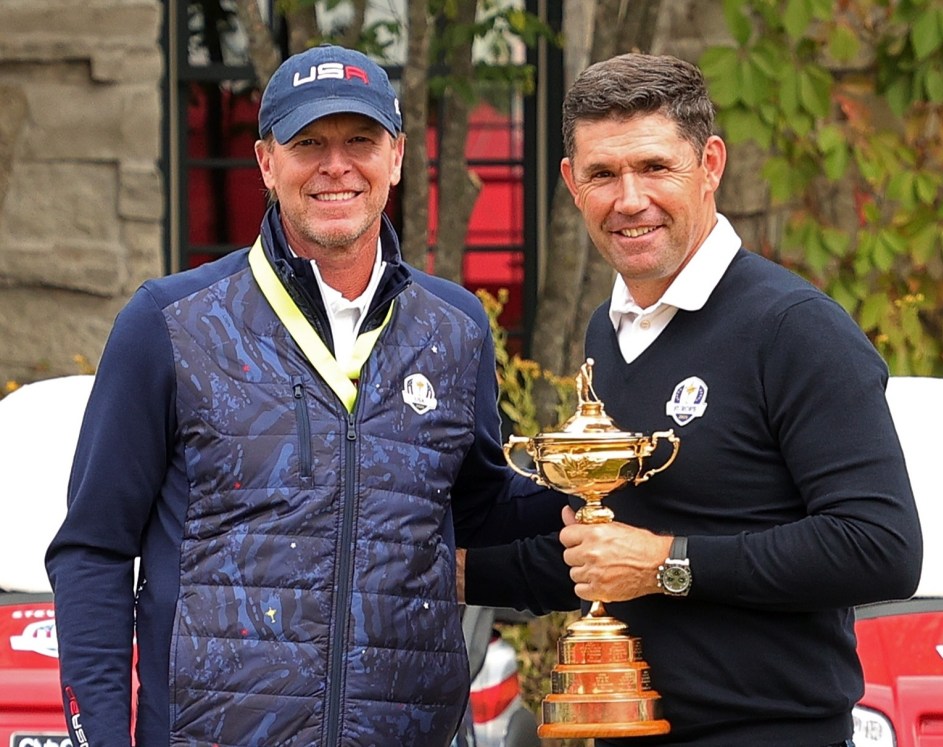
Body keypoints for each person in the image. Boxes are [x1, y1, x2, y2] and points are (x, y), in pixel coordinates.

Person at [45, 44, 564, 747]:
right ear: (266, 162)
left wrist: (608, 485)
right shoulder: (171, 322)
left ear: (398, 156)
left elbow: (473, 506)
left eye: (360, 141)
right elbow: (93, 550)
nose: (336, 166)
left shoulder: (455, 328)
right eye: (308, 142)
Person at [461, 53, 922, 746]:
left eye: (654, 167)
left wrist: (663, 564)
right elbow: (605, 551)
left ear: (710, 163)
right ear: (570, 183)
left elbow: (881, 546)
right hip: (622, 730)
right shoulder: (608, 331)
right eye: (603, 174)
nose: (629, 198)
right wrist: (435, 570)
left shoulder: (795, 328)